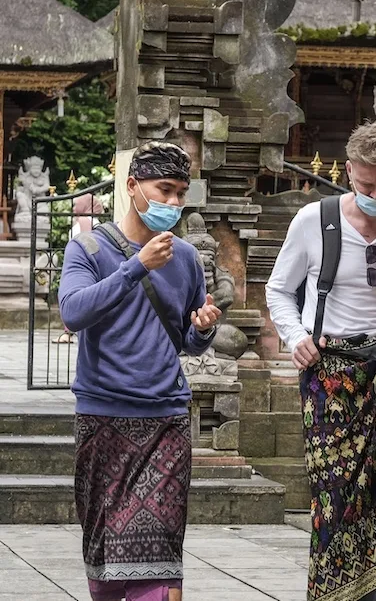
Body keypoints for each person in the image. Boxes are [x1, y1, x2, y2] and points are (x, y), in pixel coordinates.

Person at [266, 123, 376, 601]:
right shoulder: (313, 220)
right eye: (365, 186)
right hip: (330, 374)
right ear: (348, 172)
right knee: (336, 500)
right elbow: (278, 289)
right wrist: (295, 335)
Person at [58, 142, 222, 601]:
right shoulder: (87, 248)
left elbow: (185, 340)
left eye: (180, 194)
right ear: (132, 187)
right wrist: (136, 266)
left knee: (162, 554)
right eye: (163, 190)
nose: (172, 203)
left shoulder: (187, 258)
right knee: (105, 555)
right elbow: (72, 313)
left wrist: (204, 330)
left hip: (166, 418)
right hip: (103, 418)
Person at [55, 194, 107, 344]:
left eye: (76, 204)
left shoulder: (81, 224)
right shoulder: (101, 224)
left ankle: (69, 332)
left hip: (80, 268)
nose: (73, 207)